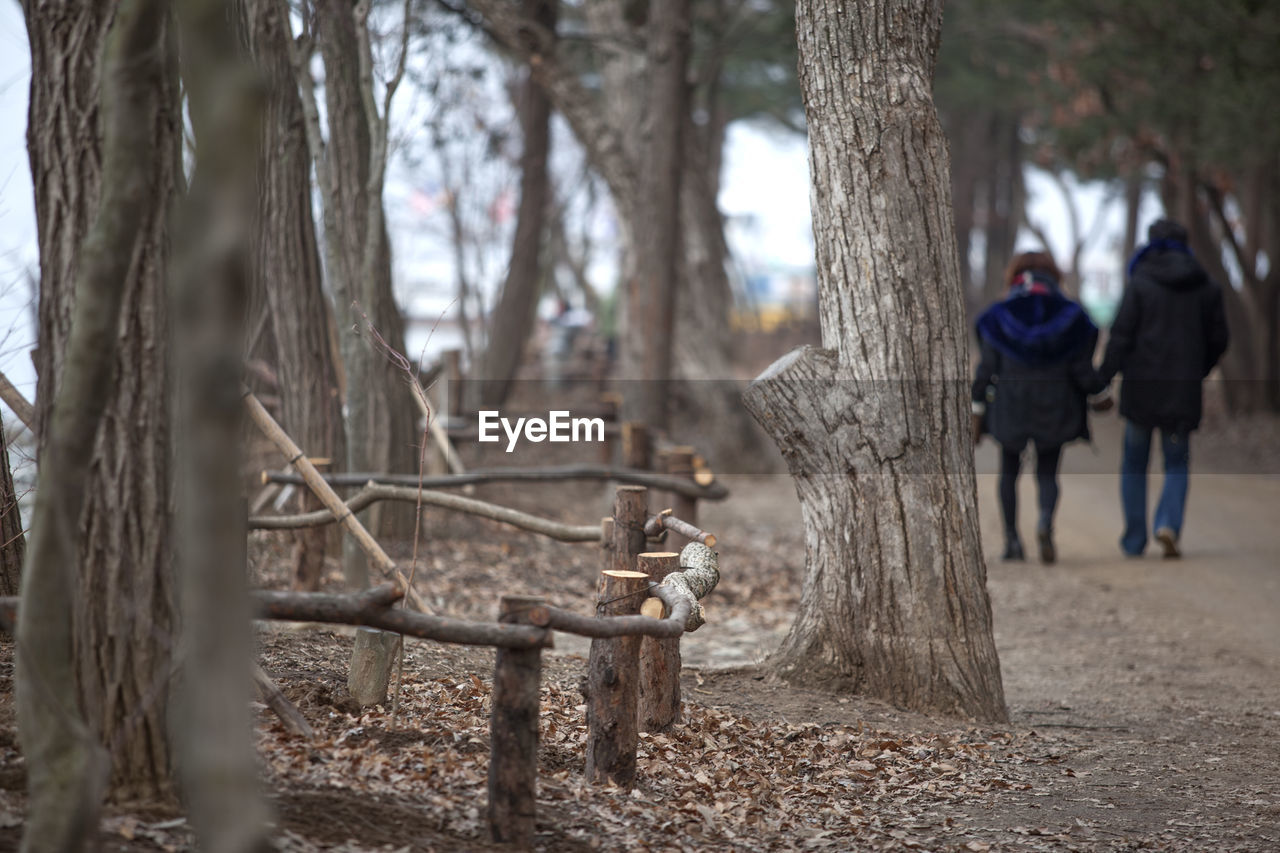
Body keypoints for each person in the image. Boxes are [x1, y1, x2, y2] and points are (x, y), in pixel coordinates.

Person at [1096, 218, 1229, 558]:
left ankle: (1134, 539)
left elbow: (1121, 336)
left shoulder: (1140, 282)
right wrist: (1198, 369)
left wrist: (1102, 380)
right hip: (1182, 391)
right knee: (1177, 462)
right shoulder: (1207, 286)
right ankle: (1167, 524)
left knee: (1134, 463)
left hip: (1141, 389)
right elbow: (1219, 339)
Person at [971, 251, 1107, 563]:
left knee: (1009, 471)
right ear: (1053, 275)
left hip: (1010, 403)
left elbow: (987, 367)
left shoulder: (998, 315)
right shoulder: (1072, 315)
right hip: (1056, 403)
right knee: (1047, 472)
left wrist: (976, 403)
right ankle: (1045, 521)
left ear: (1014, 275)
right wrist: (1100, 394)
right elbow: (1081, 368)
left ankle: (1013, 542)